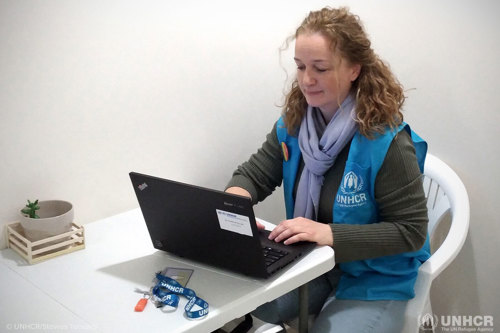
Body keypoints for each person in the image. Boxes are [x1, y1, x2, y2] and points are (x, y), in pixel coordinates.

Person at [225, 6, 430, 333]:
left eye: (320, 68)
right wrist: (230, 206)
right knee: (234, 302)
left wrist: (329, 234)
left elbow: (410, 231)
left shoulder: (386, 142)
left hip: (373, 275)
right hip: (314, 263)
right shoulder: (294, 124)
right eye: (300, 66)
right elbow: (254, 175)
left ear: (353, 69)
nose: (307, 80)